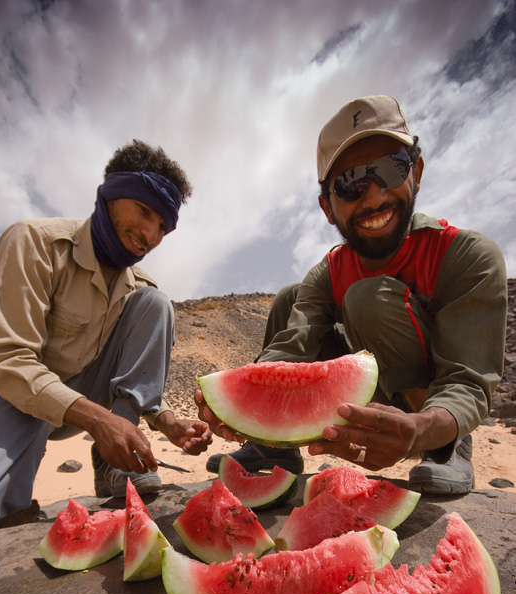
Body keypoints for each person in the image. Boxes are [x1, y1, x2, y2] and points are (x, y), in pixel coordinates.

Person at [199, 95, 507, 495]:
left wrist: (426, 428)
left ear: (416, 171)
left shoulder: (466, 256)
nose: (374, 196)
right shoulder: (328, 272)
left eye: (390, 168)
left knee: (368, 298)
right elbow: (291, 346)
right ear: (328, 207)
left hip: (431, 416)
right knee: (290, 298)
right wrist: (241, 404)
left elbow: (469, 382)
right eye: (350, 184)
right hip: (365, 402)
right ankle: (271, 448)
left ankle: (447, 451)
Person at [0, 140, 212, 538]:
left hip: (77, 397)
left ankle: (114, 467)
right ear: (110, 194)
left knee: (157, 304)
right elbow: (8, 359)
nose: (150, 234)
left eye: (162, 226)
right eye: (144, 211)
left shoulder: (138, 286)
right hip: (1, 397)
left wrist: (168, 423)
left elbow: (123, 377)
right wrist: (99, 420)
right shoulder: (34, 242)